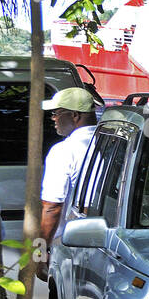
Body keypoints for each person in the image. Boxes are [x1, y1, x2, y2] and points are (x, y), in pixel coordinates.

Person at [39, 86, 103, 248]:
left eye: (57, 113)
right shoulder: (113, 142)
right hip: (107, 240)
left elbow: (52, 207)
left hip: (70, 245)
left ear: (75, 115)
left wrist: (39, 251)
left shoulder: (63, 151)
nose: (53, 118)